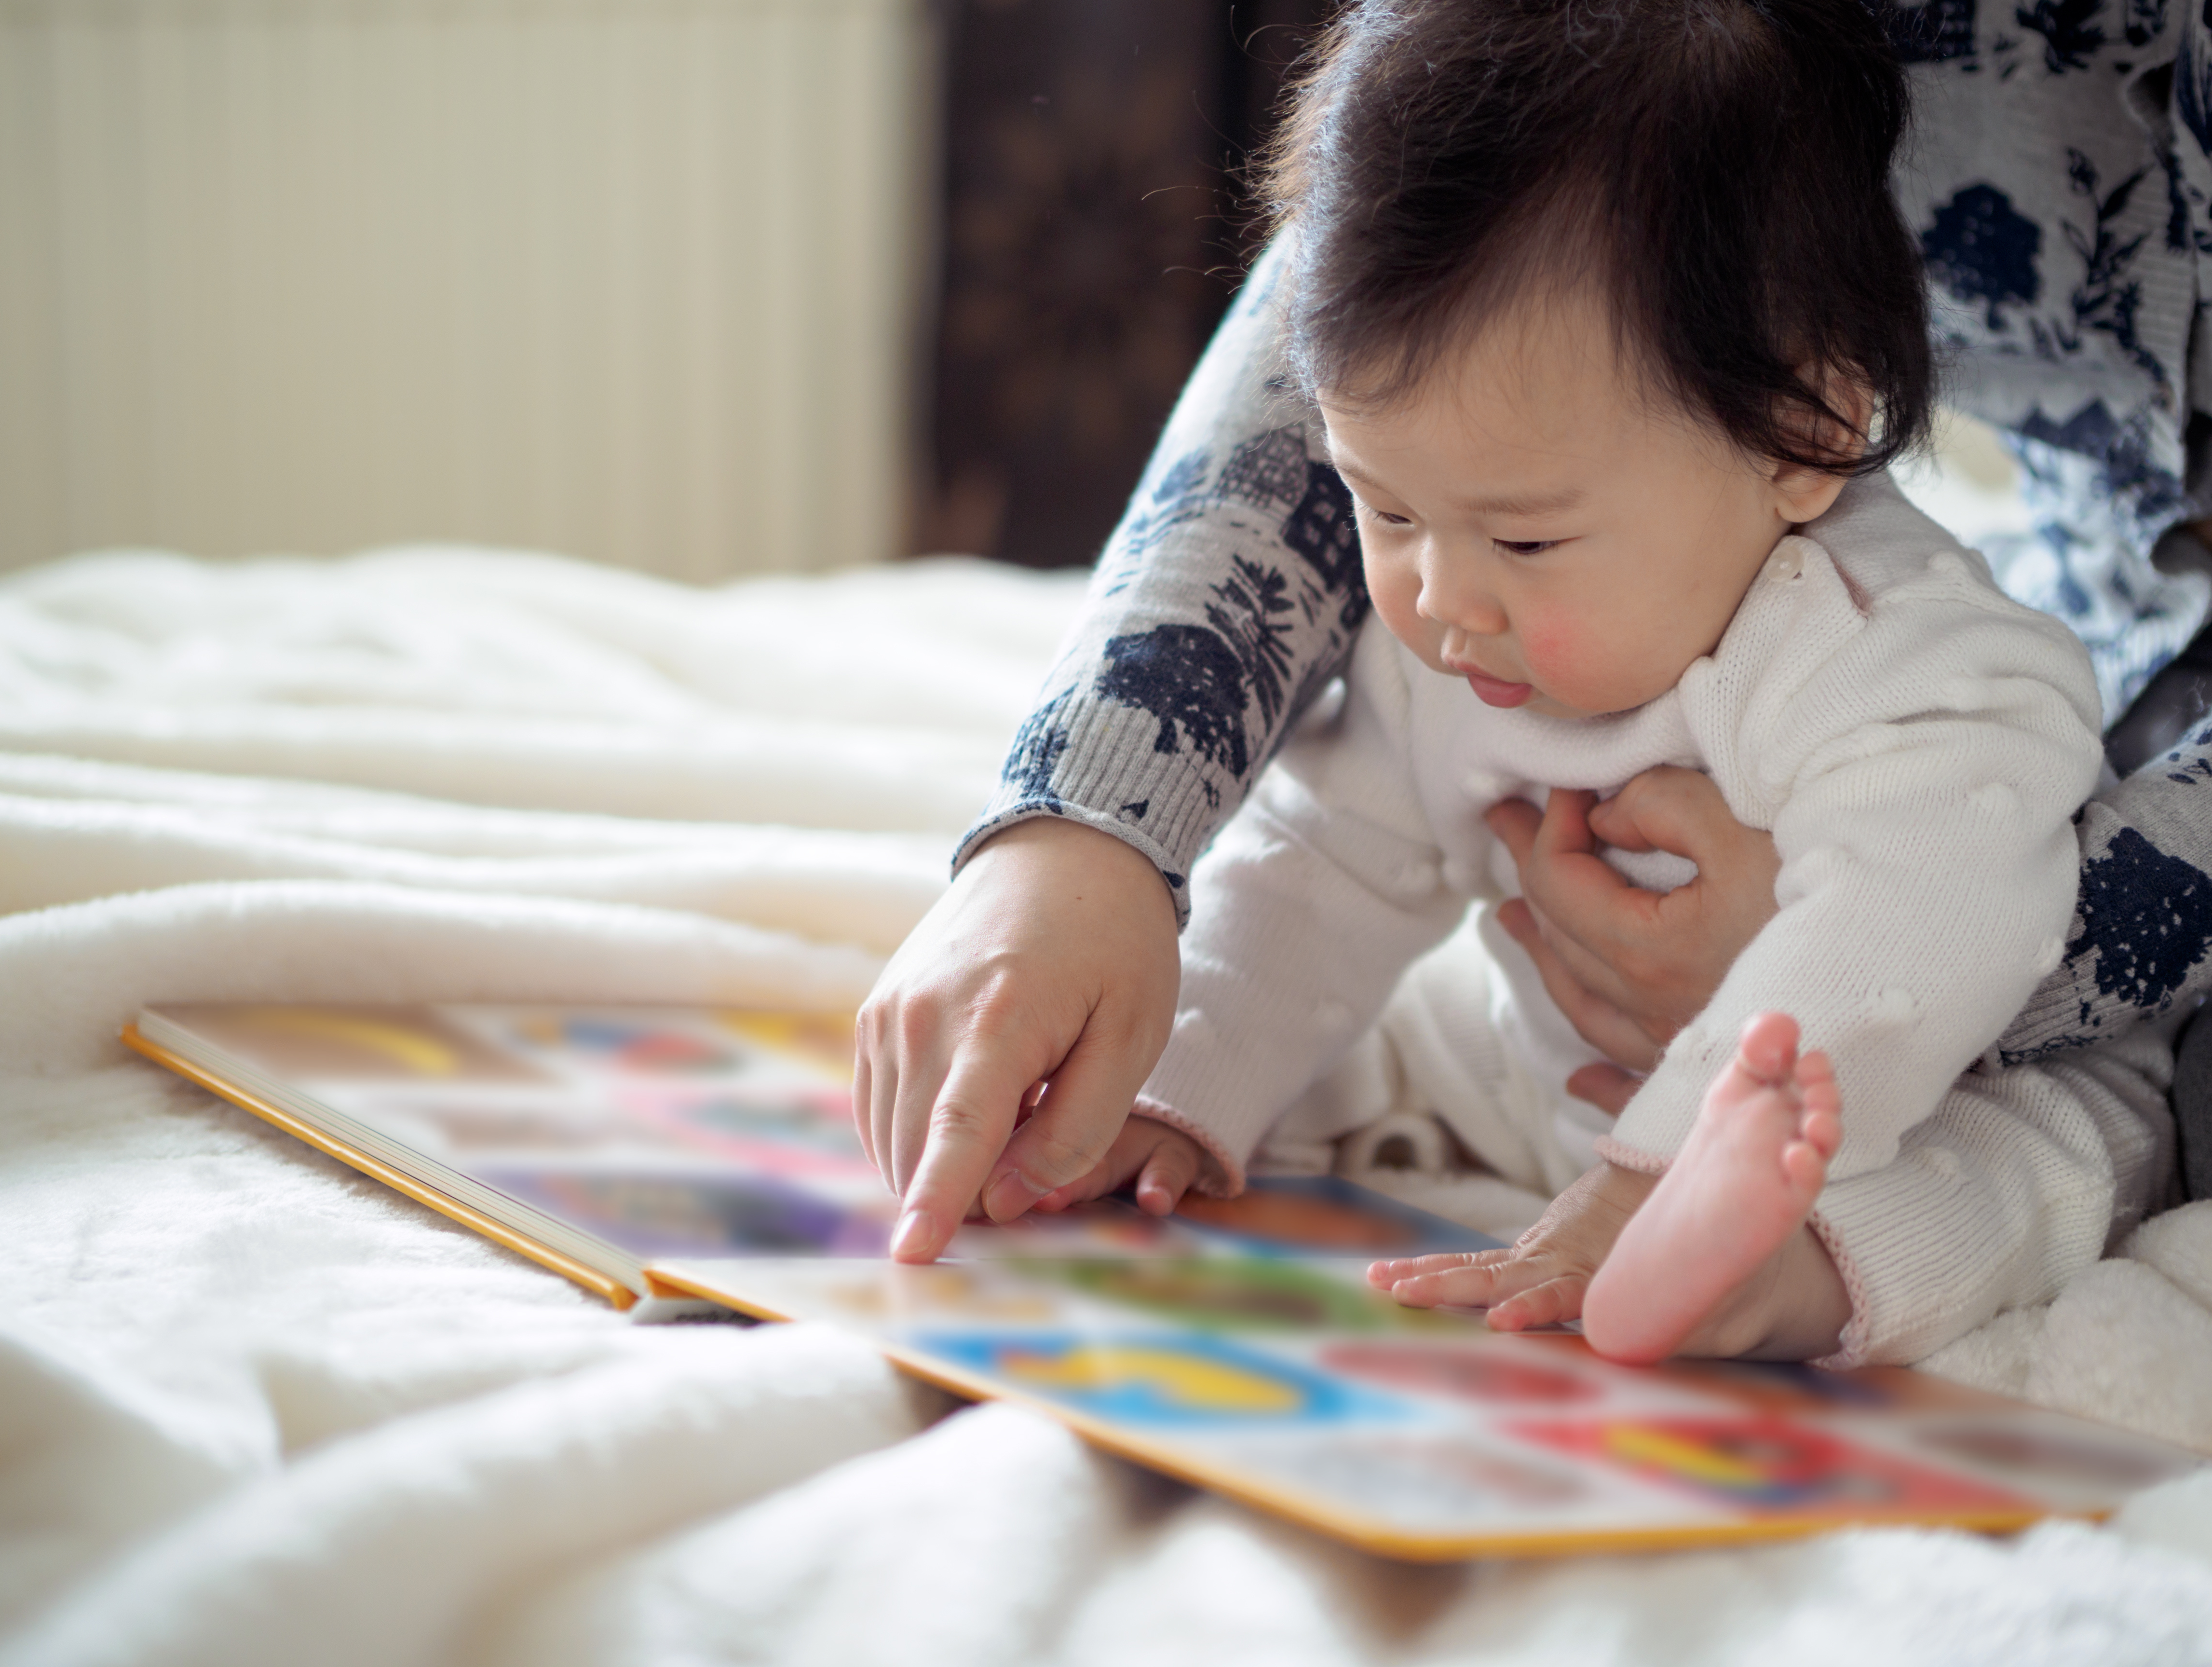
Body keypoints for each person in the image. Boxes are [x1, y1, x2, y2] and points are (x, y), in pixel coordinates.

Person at [860, 0, 2212, 1360]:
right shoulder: (1467, 615)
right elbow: (1327, 861)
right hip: (1561, 1064)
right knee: (1387, 1029)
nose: (1439, 598)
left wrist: (1655, 1172)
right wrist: (1174, 1084)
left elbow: (1925, 923)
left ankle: (1766, 1272)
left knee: (2049, 1163)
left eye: (1522, 536)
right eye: (1381, 509)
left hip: (1926, 1088)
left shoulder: (1911, 665)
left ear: (1803, 432)